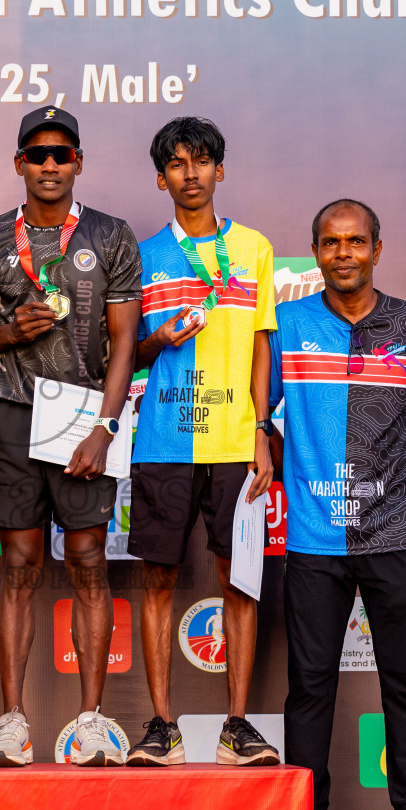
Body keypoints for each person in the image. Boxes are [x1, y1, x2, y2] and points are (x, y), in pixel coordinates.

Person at [269, 199, 406, 810]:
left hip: (396, 532)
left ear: (378, 249)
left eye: (355, 241)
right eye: (329, 242)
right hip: (315, 539)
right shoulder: (286, 325)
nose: (342, 253)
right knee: (310, 687)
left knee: (405, 684)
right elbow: (262, 421)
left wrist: (385, 484)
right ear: (314, 252)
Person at [0, 106, 142, 767]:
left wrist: (106, 425)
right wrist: (7, 332)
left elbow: (126, 338)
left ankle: (91, 721)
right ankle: (12, 724)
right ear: (19, 163)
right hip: (13, 413)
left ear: (78, 162)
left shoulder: (111, 234)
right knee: (18, 566)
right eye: (37, 155)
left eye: (61, 154)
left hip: (82, 416)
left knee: (89, 565)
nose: (50, 165)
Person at [124, 117, 278, 767]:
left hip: (234, 442)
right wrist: (160, 341)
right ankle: (162, 725)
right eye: (178, 164)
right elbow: (125, 356)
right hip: (162, 439)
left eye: (203, 161)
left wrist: (262, 430)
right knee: (157, 582)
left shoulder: (255, 250)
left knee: (239, 582)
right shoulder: (141, 256)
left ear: (221, 170)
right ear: (161, 179)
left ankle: (236, 725)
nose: (191, 174)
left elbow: (261, 345)